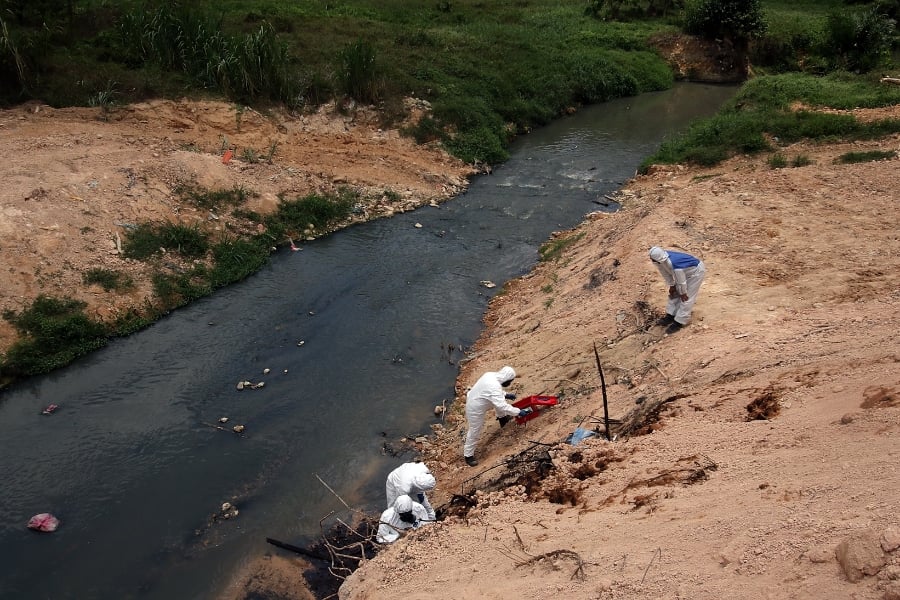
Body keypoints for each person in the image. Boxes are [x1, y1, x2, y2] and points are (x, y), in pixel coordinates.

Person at [462, 366, 531, 467]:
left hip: (479, 398)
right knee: (475, 430)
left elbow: (492, 391)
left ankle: (503, 419)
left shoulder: (490, 375)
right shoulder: (494, 386)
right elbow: (501, 405)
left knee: (499, 401)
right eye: (510, 381)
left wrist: (505, 394)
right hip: (474, 408)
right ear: (507, 379)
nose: (510, 383)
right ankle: (468, 455)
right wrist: (518, 412)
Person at [648, 246, 706, 334]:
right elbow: (665, 273)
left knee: (686, 297)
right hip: (684, 273)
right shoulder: (660, 260)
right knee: (674, 294)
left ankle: (679, 322)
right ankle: (671, 315)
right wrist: (672, 285)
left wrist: (683, 292)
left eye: (651, 259)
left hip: (695, 272)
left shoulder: (675, 264)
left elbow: (681, 281)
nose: (651, 260)